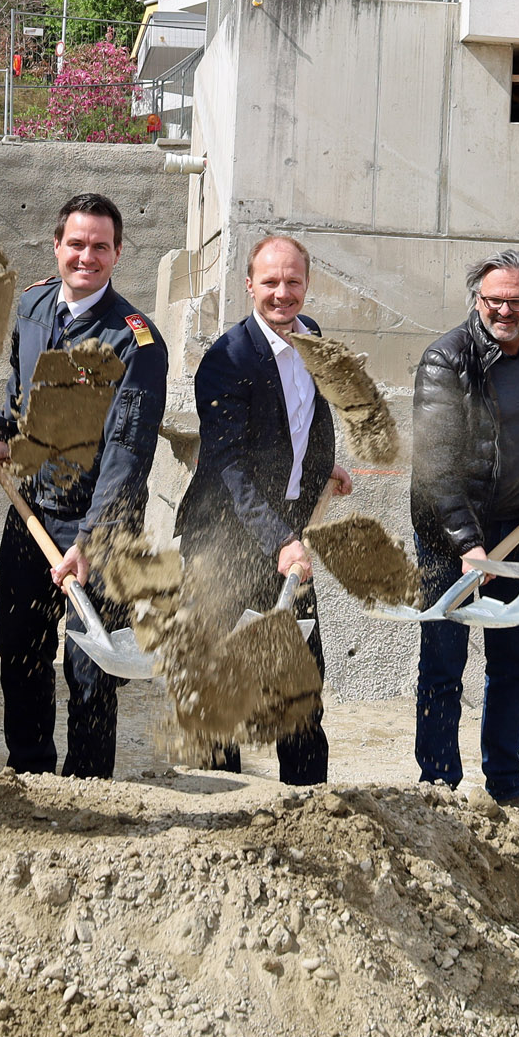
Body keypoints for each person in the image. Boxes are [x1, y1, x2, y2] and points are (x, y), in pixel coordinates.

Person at [0, 192, 167, 779]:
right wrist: (9, 439)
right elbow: (20, 388)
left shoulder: (136, 341)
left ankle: (87, 791)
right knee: (20, 649)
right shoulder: (32, 308)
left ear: (118, 253)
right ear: (56, 247)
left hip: (97, 527)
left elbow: (127, 453)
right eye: (75, 245)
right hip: (30, 512)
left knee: (90, 667)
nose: (87, 257)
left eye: (100, 247)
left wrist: (92, 537)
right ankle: (29, 774)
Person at [174, 233, 354, 783]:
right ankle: (217, 803)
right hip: (223, 540)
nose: (282, 293)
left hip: (284, 533)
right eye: (270, 282)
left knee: (298, 680)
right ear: (249, 285)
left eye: (293, 282)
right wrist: (282, 539)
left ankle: (309, 808)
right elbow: (229, 468)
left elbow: (309, 417)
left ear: (307, 285)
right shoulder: (226, 361)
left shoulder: (313, 338)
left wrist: (322, 469)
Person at [409, 250, 519, 806]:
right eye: (494, 300)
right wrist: (467, 543)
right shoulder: (446, 360)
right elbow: (435, 464)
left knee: (513, 662)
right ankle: (439, 785)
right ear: (477, 300)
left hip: (515, 527)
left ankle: (506, 782)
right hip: (448, 535)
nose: (505, 310)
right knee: (444, 663)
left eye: (517, 301)